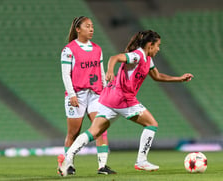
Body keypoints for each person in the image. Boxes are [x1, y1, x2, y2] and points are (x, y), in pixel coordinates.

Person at [58, 30, 193, 176]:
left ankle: (67, 158)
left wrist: (179, 79)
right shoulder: (137, 56)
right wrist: (110, 71)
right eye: (157, 45)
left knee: (95, 131)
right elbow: (115, 58)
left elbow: (157, 76)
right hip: (123, 98)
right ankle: (141, 161)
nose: (159, 49)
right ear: (150, 45)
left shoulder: (148, 59)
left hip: (108, 97)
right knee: (151, 124)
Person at [58, 16, 116, 175]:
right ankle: (68, 164)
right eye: (87, 26)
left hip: (96, 94)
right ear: (78, 29)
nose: (91, 29)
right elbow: (65, 74)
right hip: (77, 95)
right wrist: (71, 94)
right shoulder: (69, 49)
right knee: (73, 133)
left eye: (92, 26)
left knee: (101, 129)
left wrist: (105, 90)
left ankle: (102, 166)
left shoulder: (97, 49)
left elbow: (101, 72)